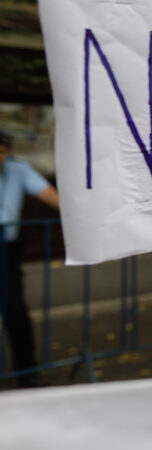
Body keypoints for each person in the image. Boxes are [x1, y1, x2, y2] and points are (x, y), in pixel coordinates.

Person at [0, 130, 59, 388]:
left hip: (6, 249)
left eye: (2, 152)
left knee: (15, 311)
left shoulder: (17, 170)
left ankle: (27, 372)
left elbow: (49, 195)